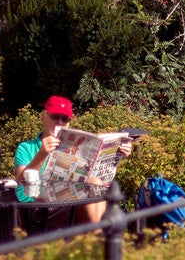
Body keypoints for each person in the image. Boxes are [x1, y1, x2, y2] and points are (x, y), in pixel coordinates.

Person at [14, 95, 133, 224]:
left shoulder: (75, 146)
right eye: (55, 117)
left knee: (95, 182)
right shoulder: (26, 147)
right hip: (37, 207)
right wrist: (42, 154)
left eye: (64, 119)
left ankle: (95, 237)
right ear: (43, 117)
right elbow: (21, 180)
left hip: (70, 204)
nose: (59, 122)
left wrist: (117, 155)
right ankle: (98, 240)